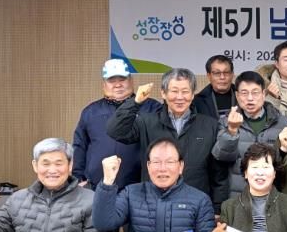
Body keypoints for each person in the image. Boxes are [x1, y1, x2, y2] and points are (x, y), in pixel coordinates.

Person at [106, 67, 232, 212]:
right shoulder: (147, 122)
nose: (180, 97)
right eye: (174, 91)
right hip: (153, 206)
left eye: (185, 91)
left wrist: (217, 208)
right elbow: (115, 130)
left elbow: (218, 173)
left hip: (195, 206)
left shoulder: (210, 125)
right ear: (163, 93)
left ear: (192, 95)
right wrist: (135, 102)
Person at [72, 58, 161, 190]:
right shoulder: (91, 111)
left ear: (131, 80)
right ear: (104, 84)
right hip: (96, 187)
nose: (117, 85)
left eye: (122, 79)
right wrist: (78, 179)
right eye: (111, 80)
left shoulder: (151, 108)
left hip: (139, 188)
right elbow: (80, 146)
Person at [211, 70, 287, 199]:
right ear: (237, 96)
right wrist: (231, 131)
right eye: (244, 93)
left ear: (264, 94)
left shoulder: (283, 123)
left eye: (255, 93)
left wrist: (283, 151)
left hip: (272, 195)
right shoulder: (226, 122)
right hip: (237, 196)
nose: (250, 98)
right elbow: (221, 157)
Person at [192, 54, 236, 126]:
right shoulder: (197, 101)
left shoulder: (243, 96)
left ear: (232, 74)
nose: (222, 77)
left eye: (226, 72)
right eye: (217, 73)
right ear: (209, 76)